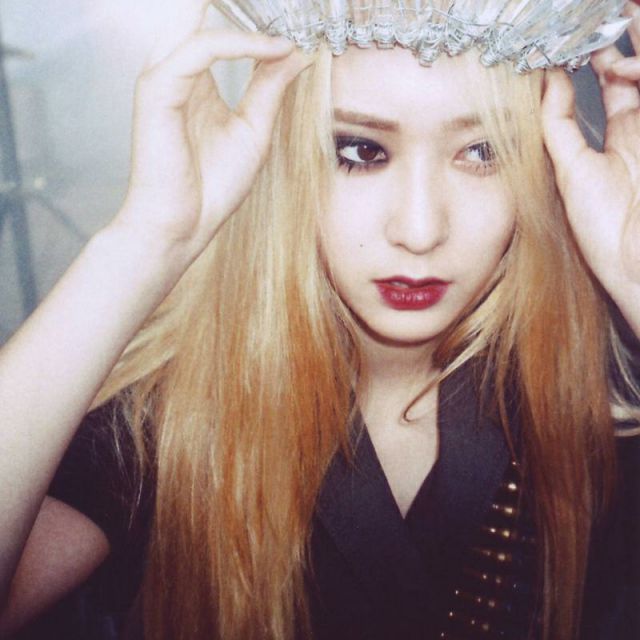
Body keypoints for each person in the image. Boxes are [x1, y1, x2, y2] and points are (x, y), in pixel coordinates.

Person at [1, 0, 640, 638]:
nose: (419, 230)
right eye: (360, 150)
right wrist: (146, 242)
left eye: (481, 151)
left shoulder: (606, 398)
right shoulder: (167, 421)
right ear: (284, 157)